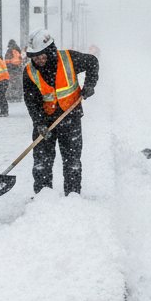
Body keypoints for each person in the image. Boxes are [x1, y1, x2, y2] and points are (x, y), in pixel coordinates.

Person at [23, 28, 99, 195]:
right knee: (42, 162)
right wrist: (39, 123)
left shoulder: (69, 59)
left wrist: (89, 85)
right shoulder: (29, 72)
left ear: (50, 51)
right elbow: (31, 101)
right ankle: (43, 197)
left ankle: (72, 196)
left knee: (72, 161)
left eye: (42, 55)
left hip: (70, 118)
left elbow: (93, 62)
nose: (39, 60)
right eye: (35, 57)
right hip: (46, 122)